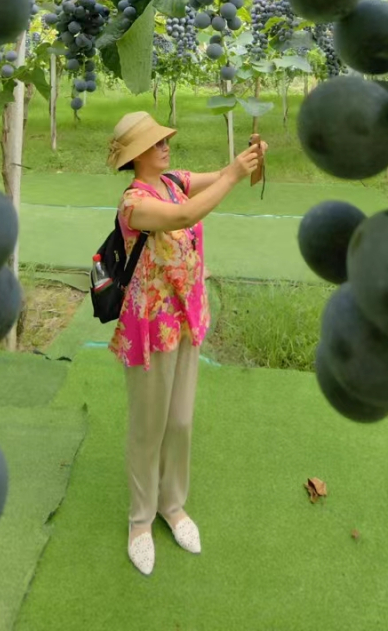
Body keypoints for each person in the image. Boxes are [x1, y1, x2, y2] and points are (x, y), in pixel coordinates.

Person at [105, 110, 266, 576]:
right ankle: (140, 521)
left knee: (179, 422)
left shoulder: (175, 181)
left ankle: (171, 506)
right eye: (156, 143)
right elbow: (185, 215)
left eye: (164, 140)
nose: (165, 146)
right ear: (137, 154)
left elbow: (216, 178)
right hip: (150, 328)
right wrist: (234, 175)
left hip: (185, 318)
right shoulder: (135, 203)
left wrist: (246, 162)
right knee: (148, 428)